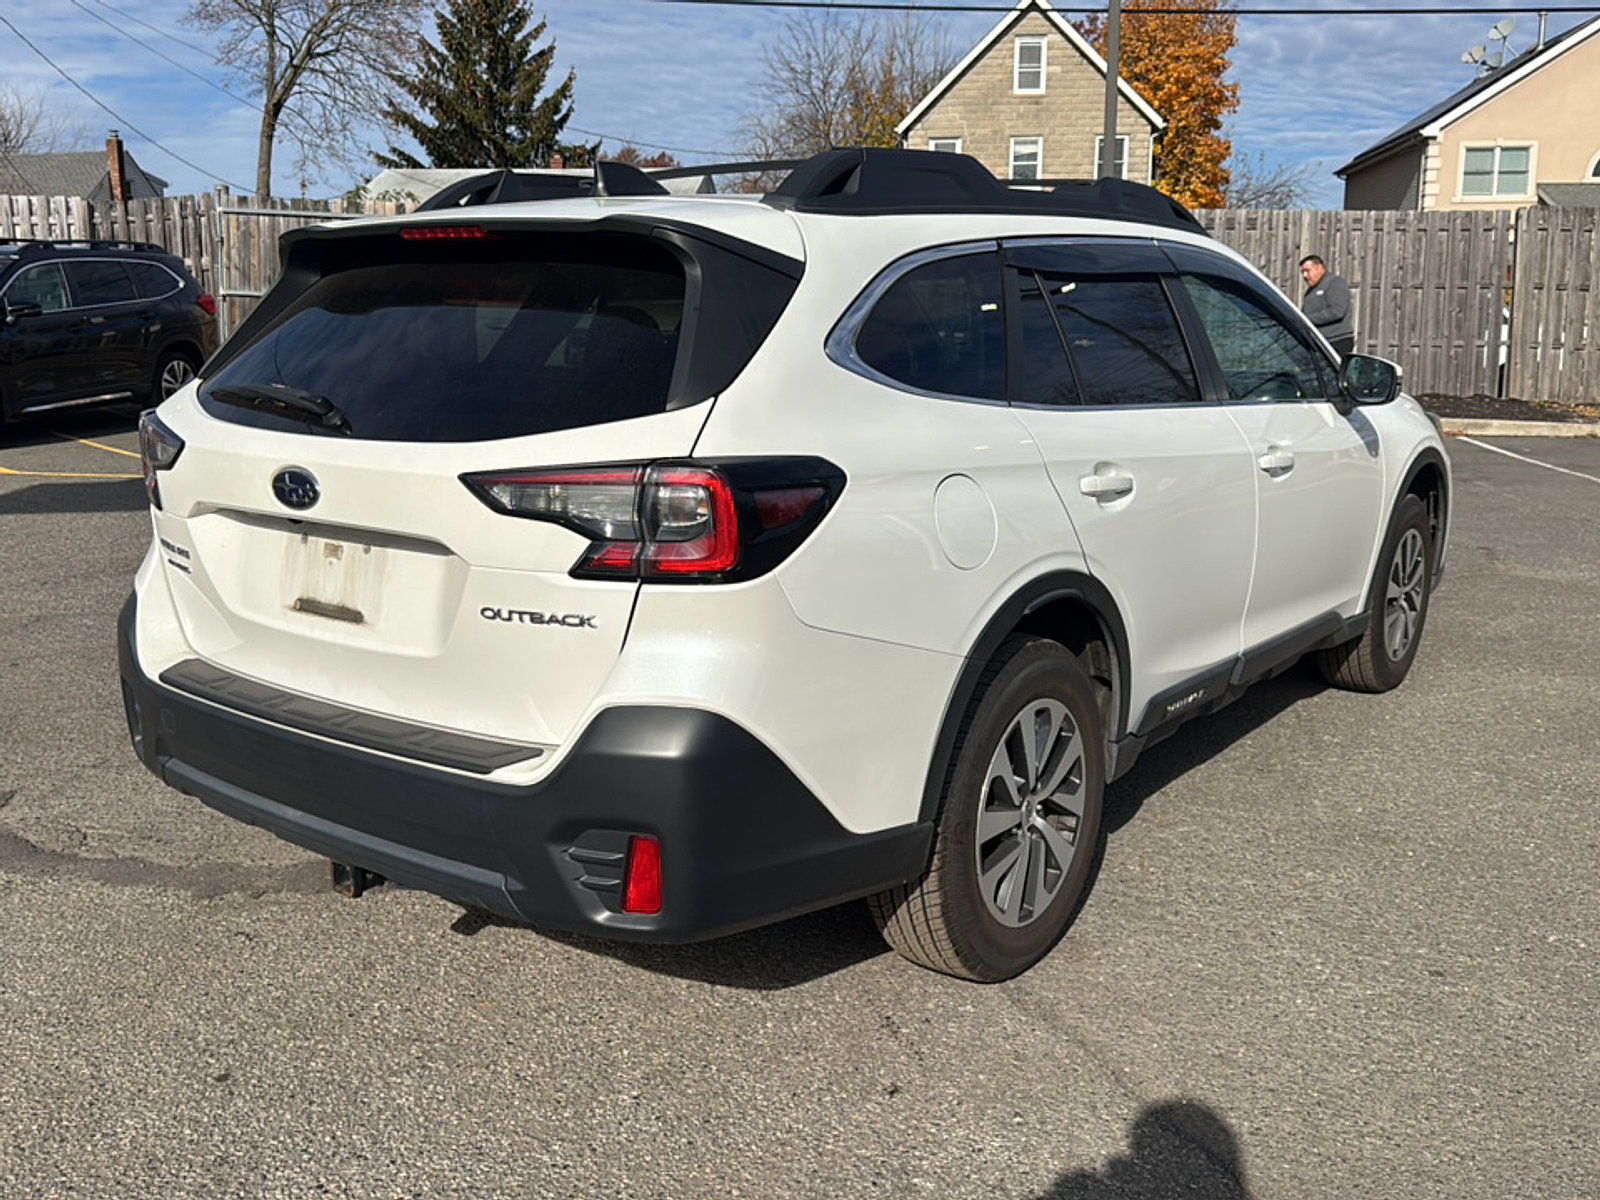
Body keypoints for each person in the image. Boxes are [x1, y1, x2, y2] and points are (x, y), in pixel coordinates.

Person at [1298, 254, 1354, 360]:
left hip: (1337, 340)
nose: (1305, 275)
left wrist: (1307, 320)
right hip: (1318, 342)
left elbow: (1337, 312)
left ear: (1319, 268)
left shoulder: (1335, 283)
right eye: (1302, 272)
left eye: (1307, 271)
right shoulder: (1310, 291)